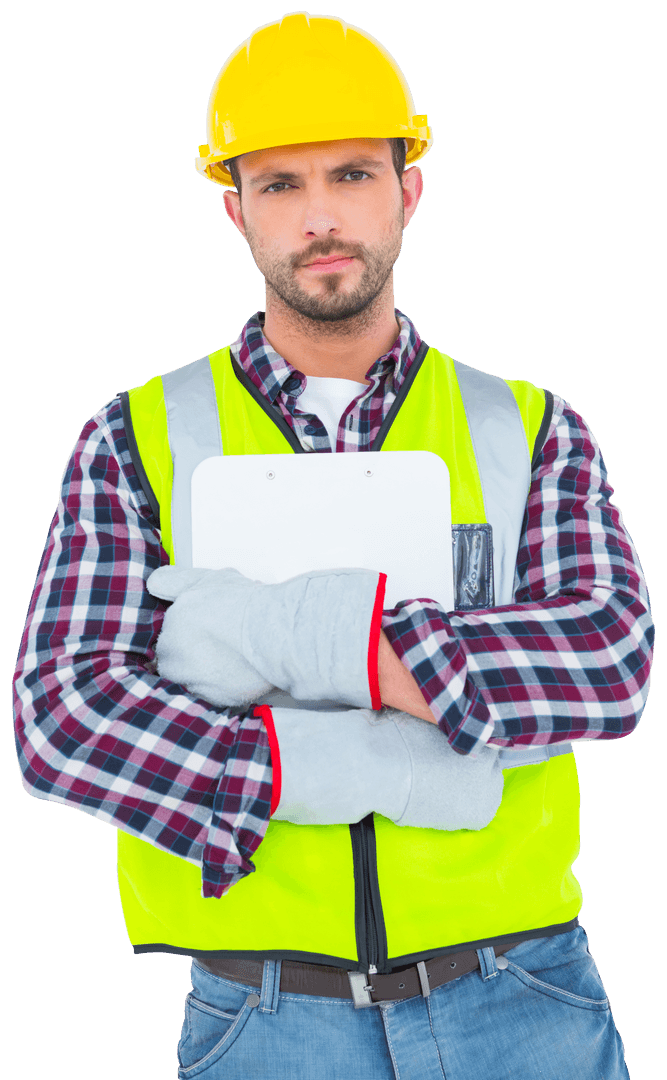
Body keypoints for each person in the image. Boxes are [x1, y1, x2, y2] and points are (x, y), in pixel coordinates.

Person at [12, 11, 653, 1079]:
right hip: (264, 1017)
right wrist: (284, 763)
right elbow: (63, 710)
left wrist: (286, 642)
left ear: (407, 189)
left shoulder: (530, 427)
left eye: (352, 175)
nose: (320, 217)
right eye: (280, 185)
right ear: (236, 211)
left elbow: (607, 657)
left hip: (523, 1000)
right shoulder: (133, 437)